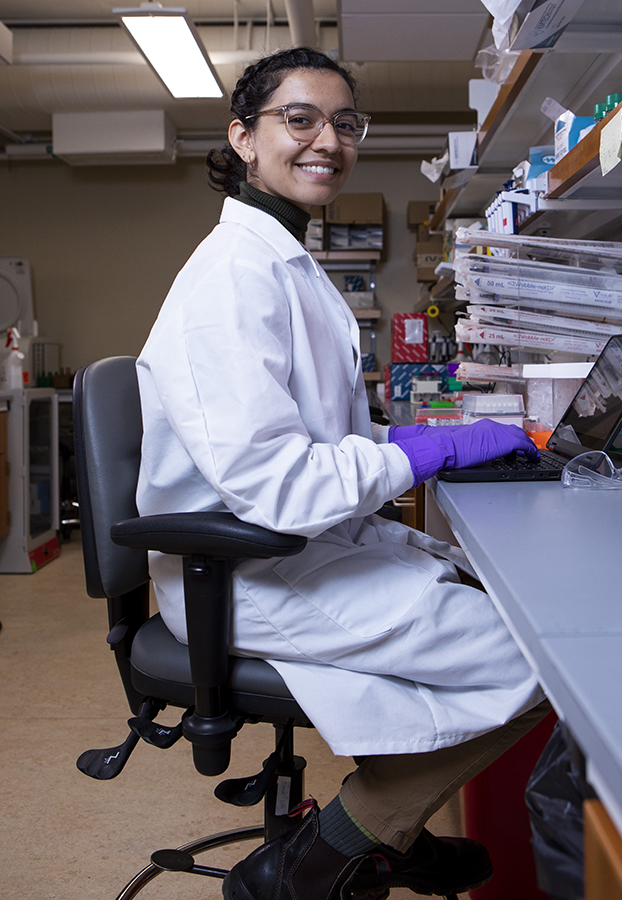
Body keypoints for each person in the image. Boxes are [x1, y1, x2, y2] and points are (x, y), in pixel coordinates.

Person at [136, 47, 550, 900]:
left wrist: (418, 435)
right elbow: (278, 484)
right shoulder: (229, 278)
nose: (328, 140)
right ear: (243, 138)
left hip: (300, 546)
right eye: (300, 119)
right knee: (553, 658)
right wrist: (422, 452)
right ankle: (344, 842)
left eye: (345, 123)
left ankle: (395, 825)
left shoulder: (292, 264)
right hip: (248, 567)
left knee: (503, 600)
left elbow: (320, 437)